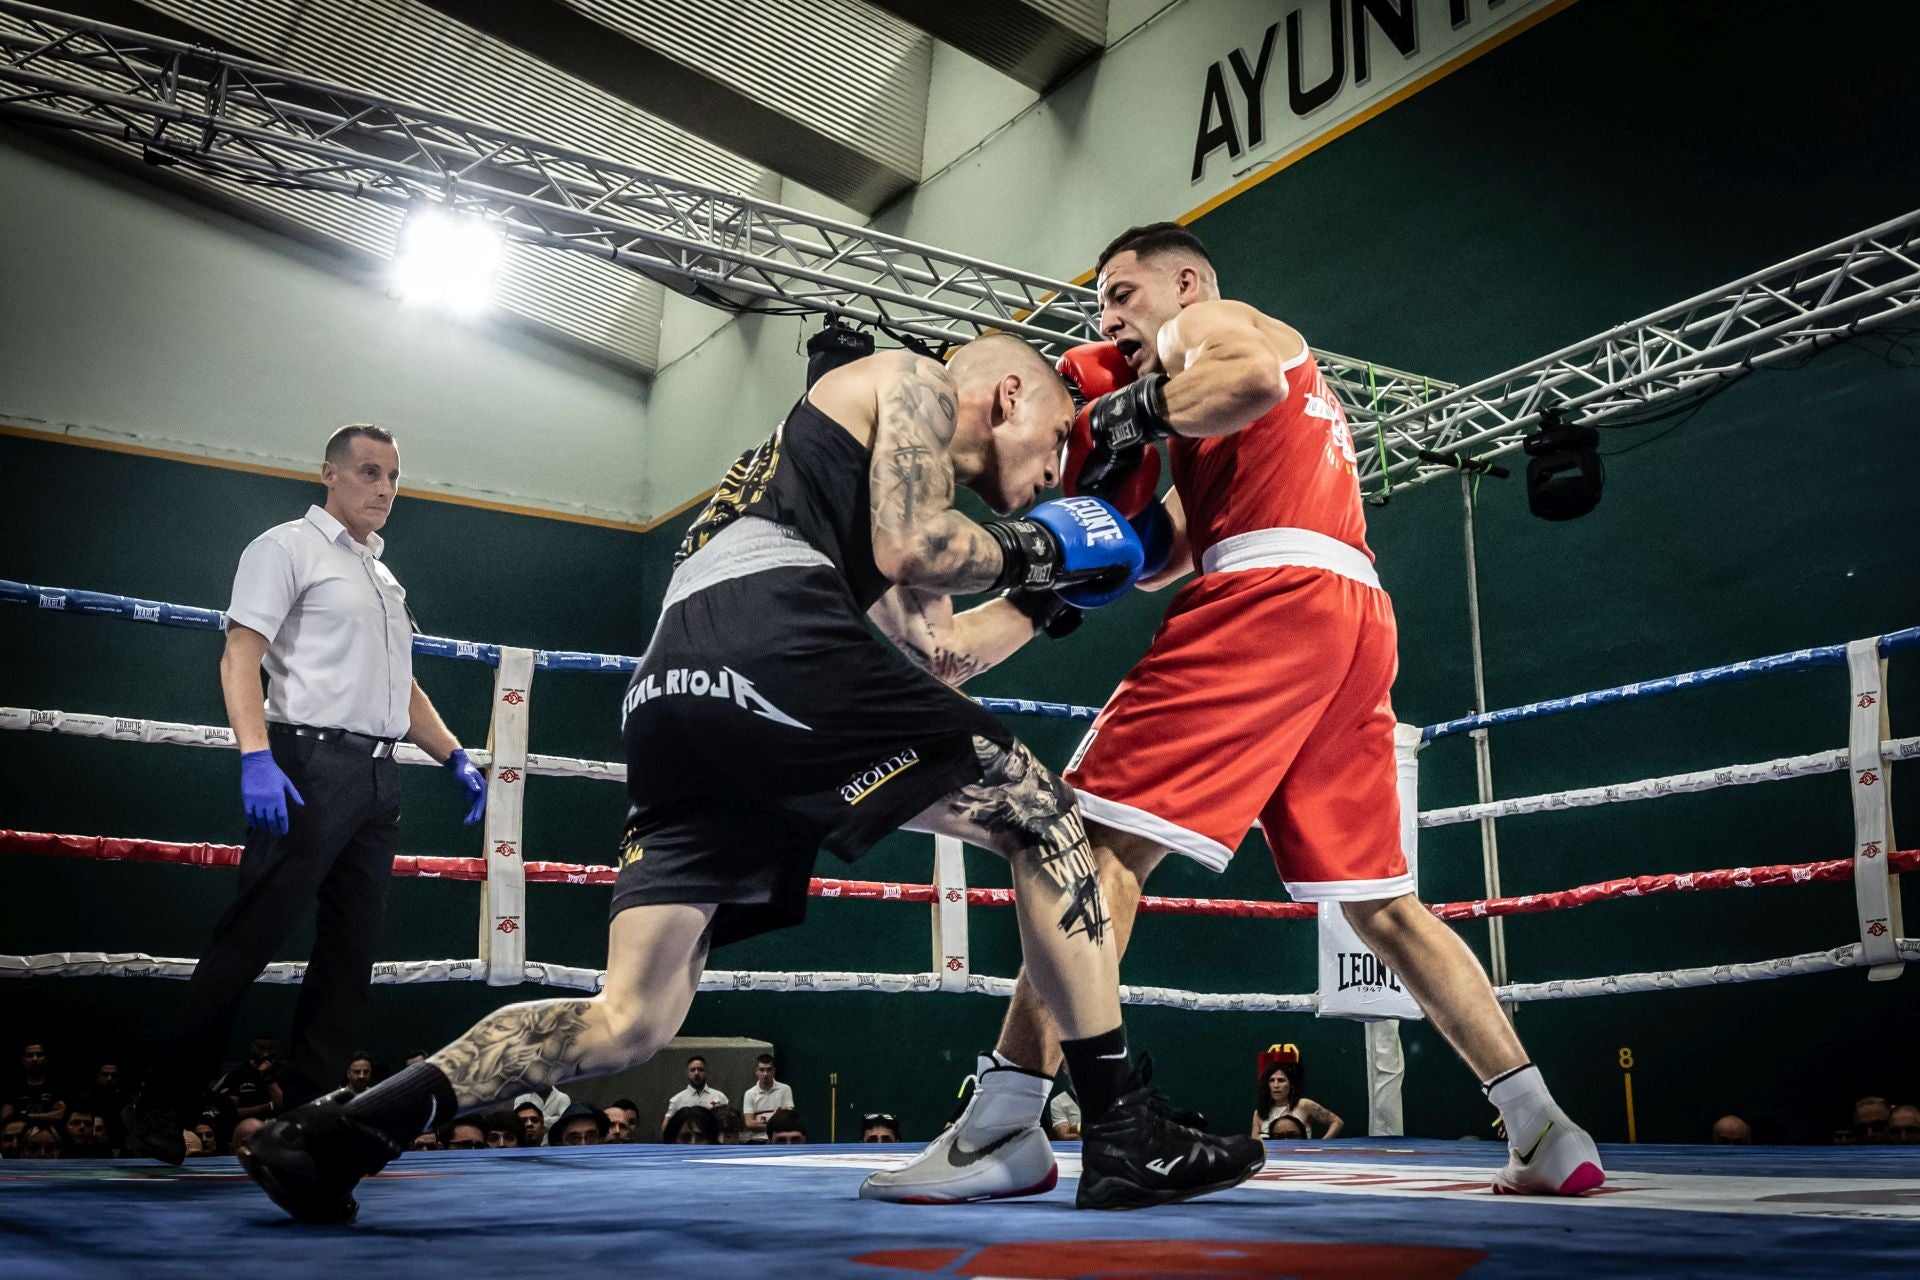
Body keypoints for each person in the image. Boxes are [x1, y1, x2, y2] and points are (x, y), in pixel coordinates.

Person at [238, 333, 1260, 1223]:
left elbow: (937, 657)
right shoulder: (909, 377)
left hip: (679, 684)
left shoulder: (868, 477)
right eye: (1057, 443)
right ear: (1009, 396)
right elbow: (920, 545)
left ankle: (341, 1133)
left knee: (629, 1017)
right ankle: (1122, 1125)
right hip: (768, 629)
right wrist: (1043, 541)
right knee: (1044, 814)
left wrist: (1046, 589)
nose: (1053, 472)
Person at [867, 223, 1605, 1204]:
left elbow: (1246, 375)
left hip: (1273, 597)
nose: (1109, 317)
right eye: (1101, 305)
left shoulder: (1214, 327)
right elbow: (1157, 555)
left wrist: (1131, 408)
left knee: (1084, 844)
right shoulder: (1219, 441)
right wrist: (1007, 610)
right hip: (1348, 616)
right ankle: (1543, 1123)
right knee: (1381, 902)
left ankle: (1004, 1123)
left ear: (1184, 281)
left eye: (1123, 293)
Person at [127, 424, 487, 1164]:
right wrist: (256, 757)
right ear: (329, 474)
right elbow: (240, 654)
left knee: (348, 959)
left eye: (393, 476)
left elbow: (402, 686)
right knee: (250, 939)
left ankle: (308, 1126)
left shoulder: (383, 577)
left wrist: (454, 754)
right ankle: (158, 1108)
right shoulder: (284, 547)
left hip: (380, 776)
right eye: (367, 472)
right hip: (307, 764)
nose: (384, 488)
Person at [1250, 1060, 1341, 1140]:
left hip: (1301, 1158)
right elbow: (1254, 1145)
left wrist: (1322, 1145)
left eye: (1281, 1080)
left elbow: (1337, 1122)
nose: (1276, 1085)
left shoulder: (1304, 1105)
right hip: (1271, 1159)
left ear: (1291, 1084)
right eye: (1272, 1080)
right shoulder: (1259, 1113)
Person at [662, 1056, 728, 1133]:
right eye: (692, 1070)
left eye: (700, 1070)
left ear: (706, 1072)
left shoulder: (720, 1096)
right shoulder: (677, 1100)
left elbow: (728, 1124)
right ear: (688, 1073)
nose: (696, 1073)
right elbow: (665, 1127)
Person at [740, 1054, 793, 1143]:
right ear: (756, 1071)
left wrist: (760, 1124)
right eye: (762, 1070)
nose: (765, 1074)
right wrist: (775, 1124)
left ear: (774, 1071)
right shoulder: (749, 1094)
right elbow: (749, 1123)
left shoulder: (785, 1089)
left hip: (779, 1140)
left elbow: (788, 1119)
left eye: (769, 1070)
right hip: (756, 1140)